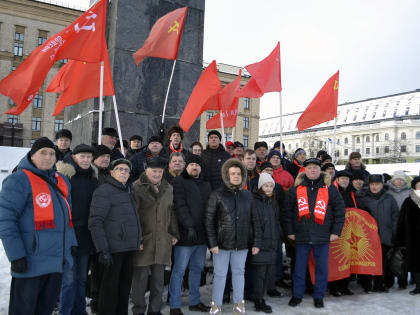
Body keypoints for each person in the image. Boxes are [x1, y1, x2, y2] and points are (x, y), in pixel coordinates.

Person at [0, 137, 77, 314]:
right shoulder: (18, 180)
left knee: (45, 310)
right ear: (32, 155)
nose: (48, 157)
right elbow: (5, 220)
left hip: (56, 262)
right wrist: (16, 255)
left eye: (52, 154)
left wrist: (71, 244)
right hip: (30, 262)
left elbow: (68, 219)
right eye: (43, 153)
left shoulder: (61, 181)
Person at [283, 158, 346, 308]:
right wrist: (290, 231)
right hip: (301, 235)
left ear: (320, 171)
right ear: (305, 170)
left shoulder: (330, 188)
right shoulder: (296, 189)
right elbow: (286, 212)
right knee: (299, 268)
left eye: (315, 168)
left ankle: (319, 296)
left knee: (322, 268)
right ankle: (297, 295)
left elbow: (339, 211)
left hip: (323, 235)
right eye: (309, 167)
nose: (312, 170)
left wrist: (336, 232)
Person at [205, 158, 261, 315]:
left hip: (242, 244)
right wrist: (212, 243)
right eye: (232, 173)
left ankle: (239, 302)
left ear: (242, 176)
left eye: (238, 173)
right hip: (221, 245)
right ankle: (216, 304)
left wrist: (256, 242)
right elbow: (209, 221)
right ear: (227, 175)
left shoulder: (248, 195)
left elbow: (255, 220)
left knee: (238, 273)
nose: (235, 176)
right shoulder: (217, 194)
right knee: (220, 275)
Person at [89, 159, 142, 315]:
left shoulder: (128, 190)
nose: (124, 172)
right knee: (109, 290)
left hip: (129, 247)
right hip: (113, 248)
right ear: (111, 172)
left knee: (124, 288)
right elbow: (95, 221)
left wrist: (139, 239)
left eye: (126, 170)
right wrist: (103, 249)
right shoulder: (104, 191)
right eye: (120, 169)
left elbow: (133, 218)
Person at [131, 157, 179, 315]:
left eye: (160, 171)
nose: (157, 174)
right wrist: (136, 238)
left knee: (158, 281)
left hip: (162, 239)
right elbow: (133, 215)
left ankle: (154, 310)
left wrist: (173, 232)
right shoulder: (137, 187)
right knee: (140, 280)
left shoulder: (168, 187)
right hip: (144, 240)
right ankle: (138, 310)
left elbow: (171, 211)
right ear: (146, 170)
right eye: (154, 171)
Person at [55, 144, 98, 315]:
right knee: (69, 280)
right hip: (69, 235)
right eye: (82, 157)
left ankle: (80, 311)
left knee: (81, 279)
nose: (86, 160)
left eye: (89, 157)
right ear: (74, 158)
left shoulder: (93, 180)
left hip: (87, 236)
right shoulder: (65, 177)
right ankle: (65, 311)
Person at [168, 155, 212, 315]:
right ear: (187, 166)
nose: (195, 167)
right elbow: (179, 205)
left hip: (201, 235)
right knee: (179, 270)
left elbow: (210, 208)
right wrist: (189, 226)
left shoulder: (206, 184)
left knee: (196, 269)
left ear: (201, 168)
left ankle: (194, 301)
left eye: (197, 165)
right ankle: (174, 304)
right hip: (185, 234)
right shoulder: (179, 181)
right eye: (192, 164)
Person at [358, 174, 399, 292]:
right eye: (372, 184)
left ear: (382, 185)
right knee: (367, 261)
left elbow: (394, 217)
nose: (374, 187)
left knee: (382, 262)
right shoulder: (364, 198)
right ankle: (367, 285)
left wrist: (394, 234)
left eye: (377, 184)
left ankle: (379, 285)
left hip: (384, 235)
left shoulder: (389, 198)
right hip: (367, 237)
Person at [250, 173, 282, 313]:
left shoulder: (272, 201)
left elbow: (276, 223)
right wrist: (256, 243)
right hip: (261, 244)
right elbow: (255, 224)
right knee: (260, 274)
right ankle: (258, 300)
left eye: (271, 186)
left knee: (268, 273)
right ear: (260, 187)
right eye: (266, 186)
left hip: (272, 243)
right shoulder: (255, 202)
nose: (268, 189)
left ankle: (260, 297)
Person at [329, 170, 357, 297]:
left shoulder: (352, 192)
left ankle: (345, 286)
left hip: (350, 230)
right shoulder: (332, 191)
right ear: (337, 180)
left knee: (348, 259)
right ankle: (334, 287)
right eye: (342, 178)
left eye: (347, 179)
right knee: (336, 259)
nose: (344, 181)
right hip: (336, 230)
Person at [395, 176, 420, 295]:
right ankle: (418, 286)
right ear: (414, 187)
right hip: (413, 238)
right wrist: (400, 238)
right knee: (415, 263)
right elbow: (401, 221)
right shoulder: (408, 201)